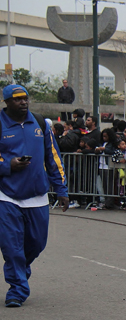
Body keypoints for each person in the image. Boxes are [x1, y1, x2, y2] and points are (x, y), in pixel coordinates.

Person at [0, 85, 69, 307]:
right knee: (12, 247)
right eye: (17, 99)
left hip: (37, 195)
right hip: (6, 196)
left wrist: (62, 189)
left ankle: (20, 268)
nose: (23, 102)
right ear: (7, 102)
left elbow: (53, 157)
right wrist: (7, 165)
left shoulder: (40, 123)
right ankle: (18, 289)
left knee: (36, 243)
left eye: (25, 98)